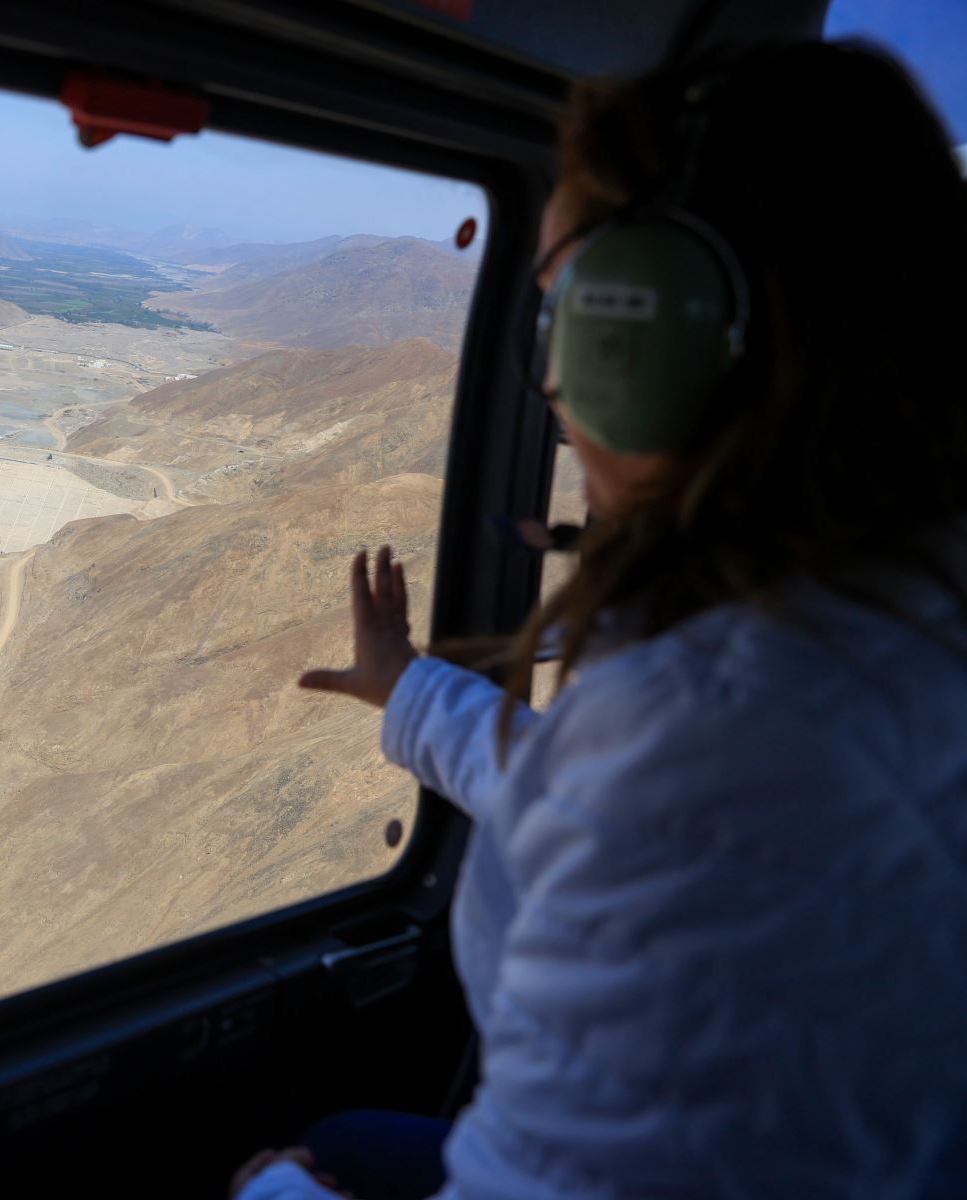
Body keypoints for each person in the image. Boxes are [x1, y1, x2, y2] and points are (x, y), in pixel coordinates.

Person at [235, 38, 967, 1200]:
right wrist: (411, 693)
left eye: (568, 322)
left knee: (317, 1152)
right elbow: (582, 789)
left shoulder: (721, 741)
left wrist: (269, 1197)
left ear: (668, 334)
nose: (553, 389)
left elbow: (649, 804)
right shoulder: (881, 605)